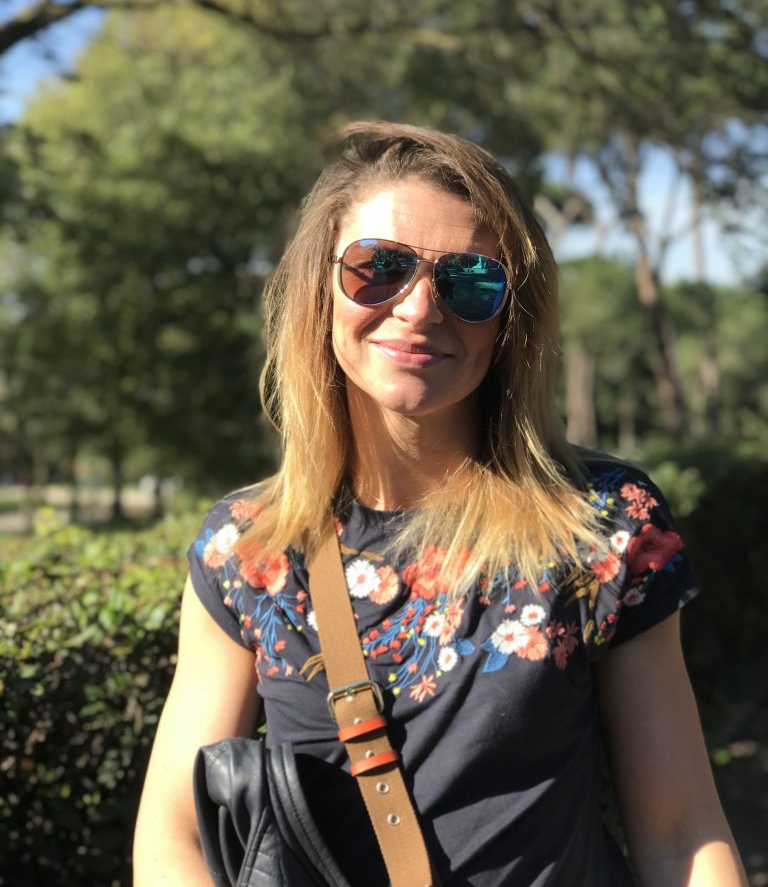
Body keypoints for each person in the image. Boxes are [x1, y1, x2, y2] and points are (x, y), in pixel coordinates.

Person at [133, 122, 747, 886]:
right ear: (317, 293)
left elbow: (681, 834)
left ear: (510, 320)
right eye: (377, 268)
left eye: (471, 282)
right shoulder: (246, 550)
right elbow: (174, 840)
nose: (420, 308)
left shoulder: (605, 521)